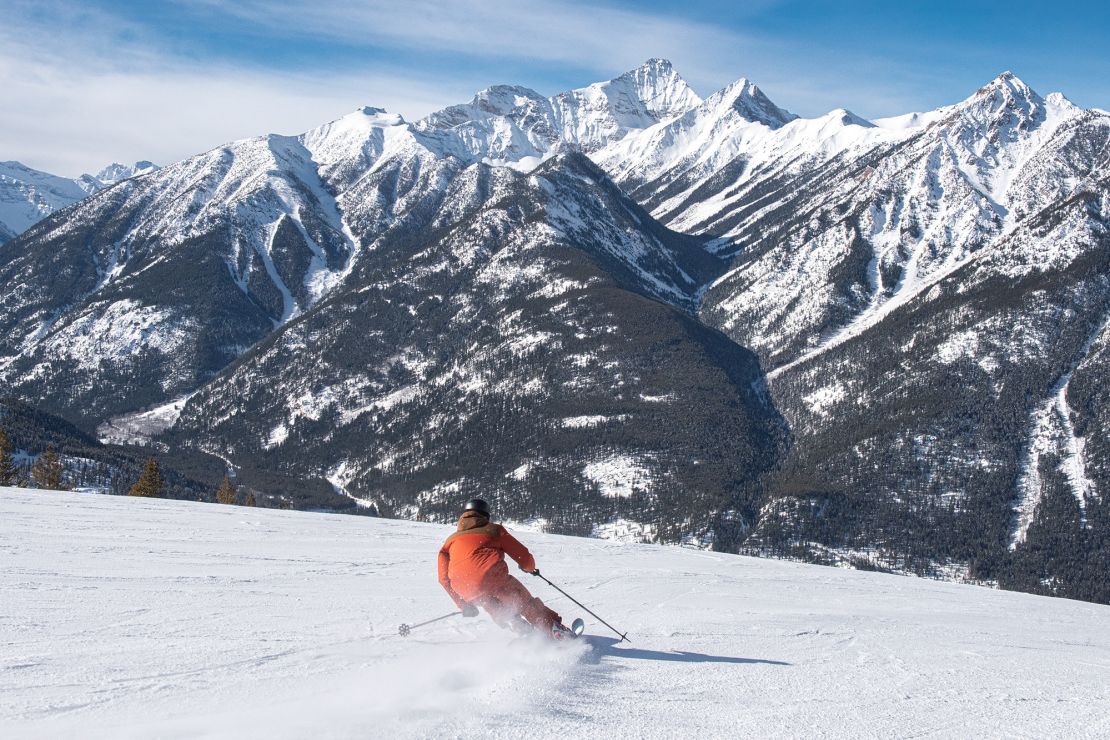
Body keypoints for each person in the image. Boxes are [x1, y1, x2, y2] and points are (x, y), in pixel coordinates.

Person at [437, 498, 573, 639]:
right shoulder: (494, 530)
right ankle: (555, 630)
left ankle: (521, 629)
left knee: (495, 607)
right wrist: (529, 567)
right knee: (525, 603)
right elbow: (523, 556)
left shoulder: (449, 542)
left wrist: (462, 604)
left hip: (467, 590)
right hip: (494, 580)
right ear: (486, 516)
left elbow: (443, 579)